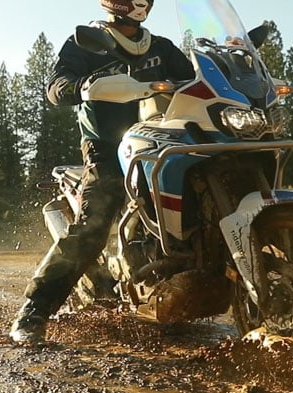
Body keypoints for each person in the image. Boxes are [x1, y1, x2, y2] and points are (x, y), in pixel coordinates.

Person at [10, 0, 195, 344]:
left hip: (163, 143)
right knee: (93, 227)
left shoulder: (161, 47)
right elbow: (55, 88)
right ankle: (33, 312)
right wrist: (81, 86)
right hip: (107, 148)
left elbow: (194, 82)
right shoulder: (86, 42)